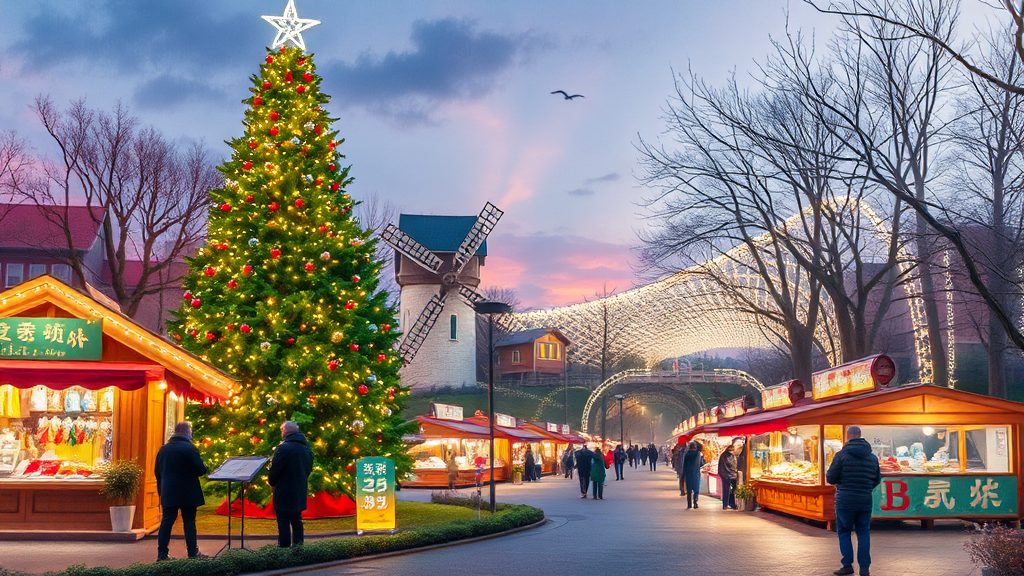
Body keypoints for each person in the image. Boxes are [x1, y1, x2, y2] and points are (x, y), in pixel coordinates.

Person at [826, 425, 881, 576]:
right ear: (860, 435)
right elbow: (876, 479)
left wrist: (842, 483)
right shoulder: (872, 457)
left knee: (844, 532)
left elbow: (830, 478)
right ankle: (864, 568)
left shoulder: (841, 456)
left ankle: (847, 565)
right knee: (863, 532)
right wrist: (865, 487)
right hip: (864, 500)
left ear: (848, 436)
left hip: (845, 500)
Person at [155, 421, 208, 561]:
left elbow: (157, 472)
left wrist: (161, 491)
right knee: (189, 522)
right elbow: (200, 469)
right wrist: (205, 467)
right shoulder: (189, 448)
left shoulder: (164, 449)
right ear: (188, 432)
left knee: (167, 521)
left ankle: (162, 554)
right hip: (188, 492)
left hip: (169, 492)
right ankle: (192, 554)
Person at [268, 421, 314, 548]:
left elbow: (276, 469)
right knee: (296, 519)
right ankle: (298, 547)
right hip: (299, 489)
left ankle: (284, 548)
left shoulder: (283, 448)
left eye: (282, 430)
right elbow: (308, 469)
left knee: (283, 520)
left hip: (284, 490)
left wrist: (272, 481)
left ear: (286, 431)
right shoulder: (306, 449)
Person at [682, 441, 705, 509]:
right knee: (696, 489)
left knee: (689, 490)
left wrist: (684, 473)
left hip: (688, 474)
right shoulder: (698, 454)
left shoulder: (686, 454)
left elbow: (684, 465)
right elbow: (701, 464)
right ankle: (695, 502)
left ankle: (689, 504)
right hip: (695, 473)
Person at [717, 443, 739, 510]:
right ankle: (728, 504)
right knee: (729, 490)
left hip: (728, 475)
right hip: (729, 475)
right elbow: (731, 466)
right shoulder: (729, 456)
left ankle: (728, 504)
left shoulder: (725, 455)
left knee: (728, 490)